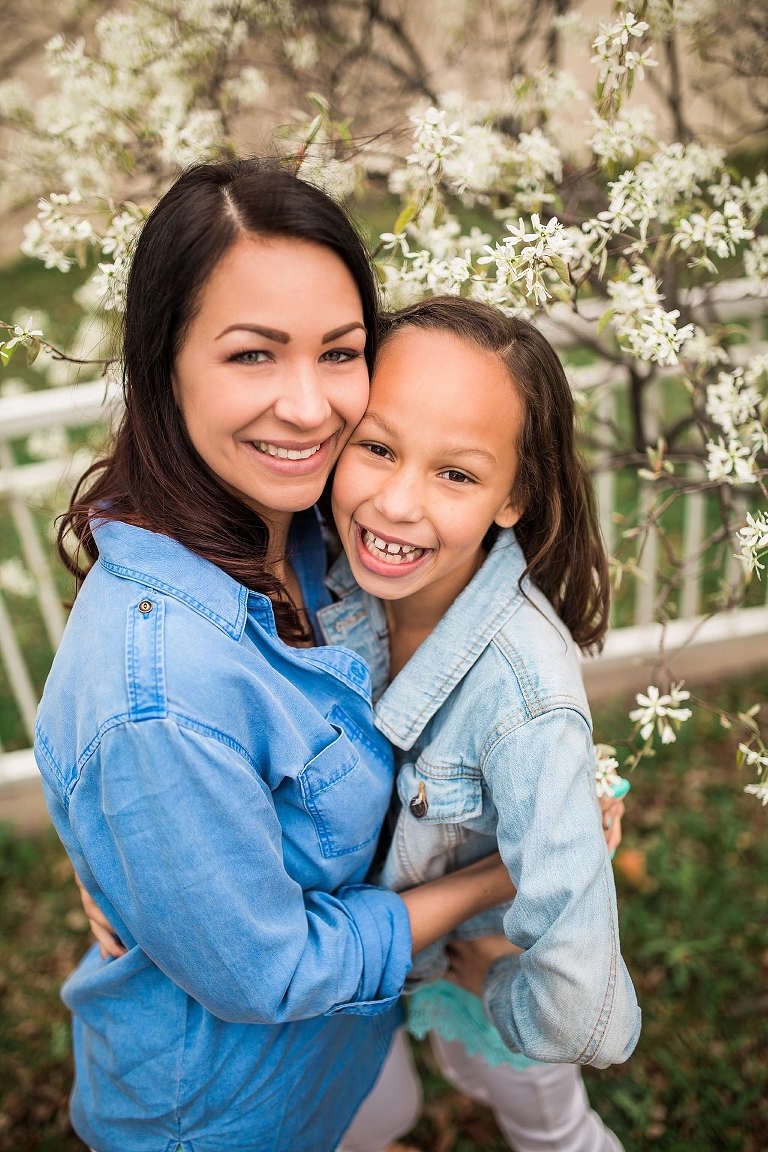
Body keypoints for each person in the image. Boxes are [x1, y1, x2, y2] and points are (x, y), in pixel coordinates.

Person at [35, 161, 519, 1152]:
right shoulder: (161, 687)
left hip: (345, 1055)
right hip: (226, 1113)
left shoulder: (317, 524)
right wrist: (494, 879)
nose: (309, 408)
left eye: (340, 353)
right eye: (254, 356)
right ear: (164, 361)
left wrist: (129, 853)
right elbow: (271, 975)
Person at [313, 297, 641, 1152]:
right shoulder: (320, 574)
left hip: (473, 965)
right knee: (397, 1099)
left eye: (455, 473)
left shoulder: (527, 700)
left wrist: (501, 985)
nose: (395, 502)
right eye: (376, 447)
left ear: (512, 496)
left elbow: (584, 1008)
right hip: (371, 967)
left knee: (547, 1130)